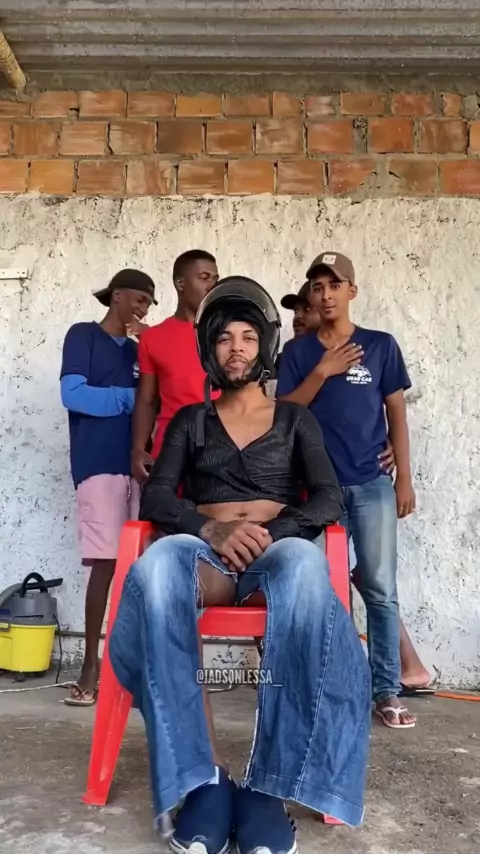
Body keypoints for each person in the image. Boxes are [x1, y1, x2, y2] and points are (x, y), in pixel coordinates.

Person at [109, 276, 371, 854]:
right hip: (205, 552)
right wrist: (211, 529)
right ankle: (202, 777)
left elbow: (328, 497)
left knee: (305, 565)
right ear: (210, 348)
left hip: (277, 551)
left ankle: (268, 786)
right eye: (224, 338)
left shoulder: (295, 420)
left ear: (264, 347)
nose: (236, 348)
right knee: (156, 567)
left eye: (248, 337)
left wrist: (269, 533)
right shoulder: (190, 421)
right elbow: (157, 496)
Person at [276, 252, 418, 729]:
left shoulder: (380, 346)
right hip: (318, 490)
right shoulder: (298, 354)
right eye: (317, 287)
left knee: (380, 588)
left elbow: (396, 414)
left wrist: (403, 478)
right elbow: (284, 414)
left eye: (335, 285)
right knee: (320, 590)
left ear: (352, 291)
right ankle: (328, 688)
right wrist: (323, 371)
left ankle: (386, 690)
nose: (326, 295)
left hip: (371, 484)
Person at [60, 269, 156, 706]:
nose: (143, 308)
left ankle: (131, 670)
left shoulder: (140, 350)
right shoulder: (83, 335)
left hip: (140, 468)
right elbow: (74, 394)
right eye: (139, 298)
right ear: (117, 296)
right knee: (105, 563)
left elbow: (163, 398)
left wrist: (154, 346)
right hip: (97, 464)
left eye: (149, 302)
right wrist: (130, 399)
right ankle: (89, 667)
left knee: (140, 568)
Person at [131, 249, 220, 484]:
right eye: (204, 278)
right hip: (171, 453)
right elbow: (147, 400)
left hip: (223, 453)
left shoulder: (228, 334)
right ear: (180, 283)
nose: (212, 285)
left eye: (215, 279)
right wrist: (138, 448)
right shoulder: (153, 338)